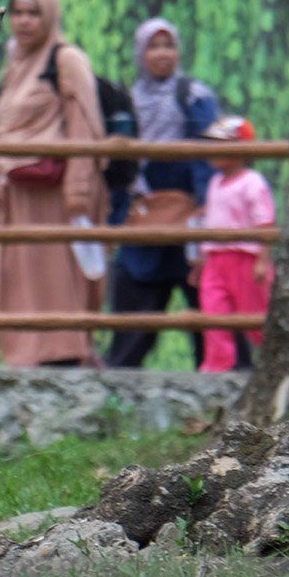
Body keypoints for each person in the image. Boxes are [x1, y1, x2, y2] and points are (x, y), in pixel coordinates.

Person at [0, 0, 107, 367]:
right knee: (19, 276)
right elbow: (1, 133)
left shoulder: (67, 59)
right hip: (18, 189)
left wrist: (79, 191)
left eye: (33, 13)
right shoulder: (14, 64)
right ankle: (26, 355)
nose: (23, 21)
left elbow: (84, 124)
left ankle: (66, 353)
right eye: (17, 12)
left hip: (58, 191)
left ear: (49, 15)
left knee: (58, 273)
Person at [105, 18, 220, 368]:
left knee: (211, 315)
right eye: (153, 46)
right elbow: (121, 167)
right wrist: (114, 217)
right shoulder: (129, 102)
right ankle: (116, 396)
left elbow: (207, 156)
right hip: (145, 220)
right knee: (133, 317)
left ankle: (223, 391)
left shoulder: (194, 97)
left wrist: (206, 209)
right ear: (141, 53)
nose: (162, 54)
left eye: (168, 45)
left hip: (190, 220)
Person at [194, 116, 275, 373]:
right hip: (215, 260)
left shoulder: (252, 182)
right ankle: (218, 365)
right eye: (212, 144)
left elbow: (265, 224)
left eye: (222, 144)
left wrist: (262, 260)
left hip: (245, 258)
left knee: (256, 317)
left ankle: (278, 361)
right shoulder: (215, 183)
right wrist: (201, 262)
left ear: (243, 150)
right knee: (214, 313)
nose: (214, 151)